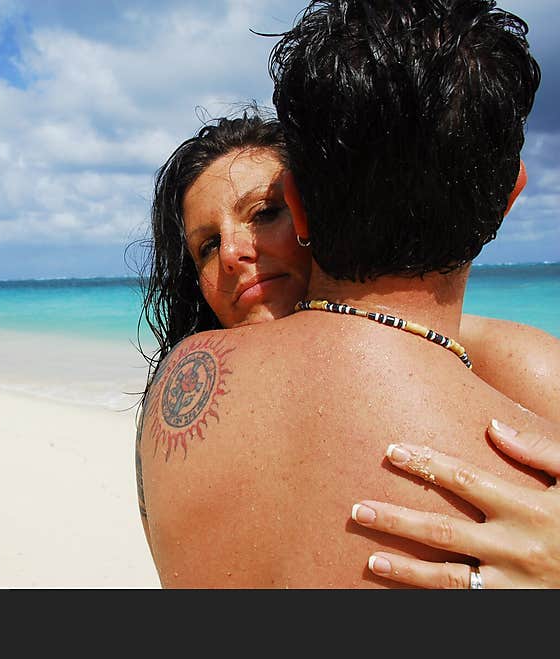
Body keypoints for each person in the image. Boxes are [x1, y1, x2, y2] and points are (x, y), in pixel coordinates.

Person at [136, 0, 558, 588]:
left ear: (306, 207)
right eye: (206, 246)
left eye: (263, 213)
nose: (233, 254)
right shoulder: (524, 391)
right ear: (509, 199)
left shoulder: (179, 384)